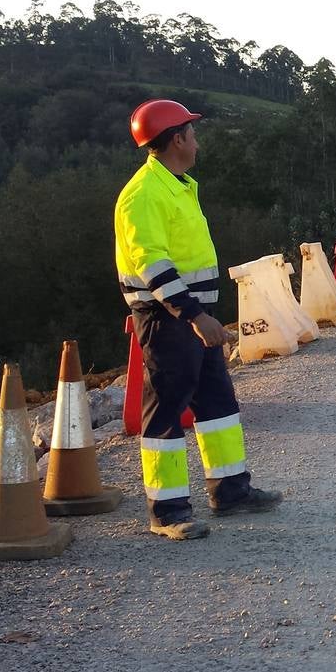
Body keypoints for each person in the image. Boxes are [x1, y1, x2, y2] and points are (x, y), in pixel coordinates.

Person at [114, 100, 282, 540]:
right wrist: (193, 316)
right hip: (168, 316)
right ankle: (166, 512)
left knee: (217, 403)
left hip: (192, 315)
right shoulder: (145, 193)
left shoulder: (177, 185)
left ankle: (231, 492)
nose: (196, 139)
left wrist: (201, 315)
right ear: (177, 140)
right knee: (166, 410)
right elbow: (151, 264)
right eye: (192, 132)